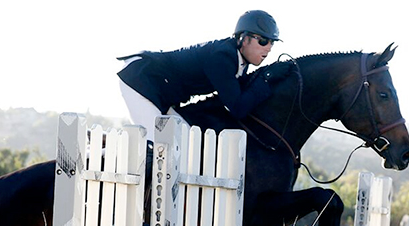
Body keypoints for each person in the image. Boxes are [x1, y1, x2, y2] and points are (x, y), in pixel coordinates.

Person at [117, 9, 292, 142]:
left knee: (185, 143)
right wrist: (266, 78)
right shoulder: (223, 57)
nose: (268, 48)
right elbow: (237, 108)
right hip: (141, 77)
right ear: (243, 39)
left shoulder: (240, 62)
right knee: (158, 144)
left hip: (159, 89)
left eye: (272, 43)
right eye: (263, 41)